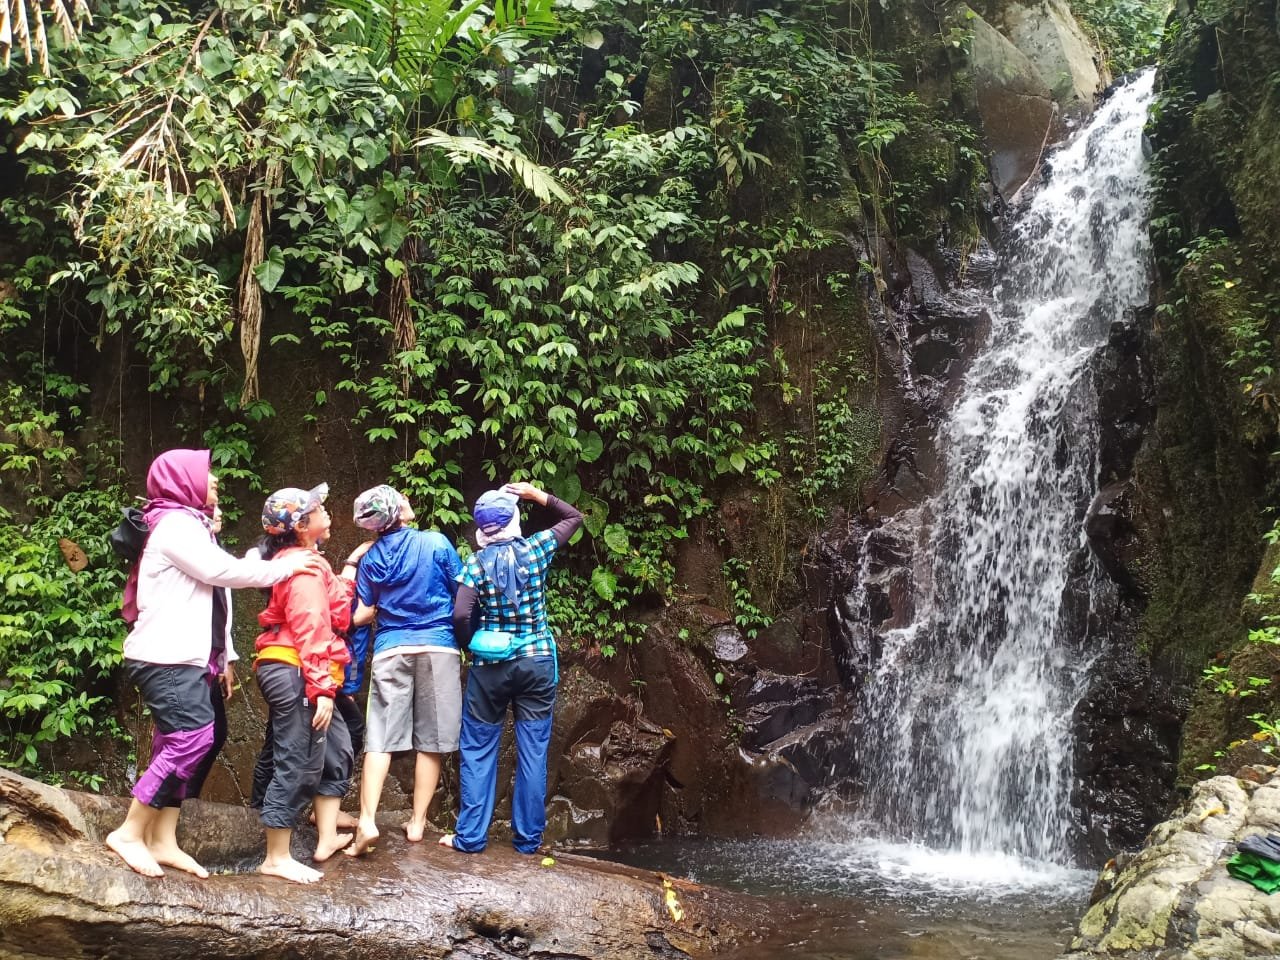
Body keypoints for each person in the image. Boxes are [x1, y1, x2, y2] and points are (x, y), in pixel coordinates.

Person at [105, 449, 323, 879]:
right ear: (182, 479)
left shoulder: (186, 525)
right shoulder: (175, 525)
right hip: (165, 657)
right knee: (190, 740)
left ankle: (163, 838)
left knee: (196, 738)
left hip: (186, 657)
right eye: (207, 473)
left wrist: (223, 656)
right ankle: (130, 833)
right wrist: (288, 566)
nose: (216, 480)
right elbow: (222, 573)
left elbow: (217, 583)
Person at [438, 481, 582, 855]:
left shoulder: (474, 563)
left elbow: (460, 613)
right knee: (533, 752)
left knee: (479, 749)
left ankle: (469, 838)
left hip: (490, 668)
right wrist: (538, 495)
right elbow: (574, 517)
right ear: (514, 519)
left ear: (482, 528)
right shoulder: (536, 549)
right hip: (536, 662)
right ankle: (528, 841)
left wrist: (471, 643)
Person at [253, 483, 365, 883]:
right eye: (319, 508)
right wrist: (319, 688)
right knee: (298, 758)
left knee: (337, 750)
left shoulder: (306, 561)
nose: (327, 512)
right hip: (297, 669)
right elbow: (311, 626)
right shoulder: (300, 568)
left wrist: (350, 565)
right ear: (302, 525)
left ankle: (326, 835)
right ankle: (275, 855)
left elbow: (335, 607)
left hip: (305, 669)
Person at [344, 484, 463, 857]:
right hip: (439, 645)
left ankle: (366, 820)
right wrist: (466, 641)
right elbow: (462, 595)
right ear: (396, 512)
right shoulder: (436, 543)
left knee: (380, 736)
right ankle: (417, 823)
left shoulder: (371, 560)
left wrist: (352, 679)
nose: (409, 500)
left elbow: (361, 619)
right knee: (433, 737)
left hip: (390, 648)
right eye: (402, 499)